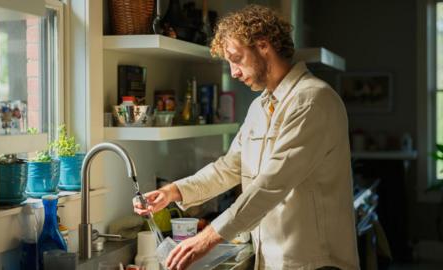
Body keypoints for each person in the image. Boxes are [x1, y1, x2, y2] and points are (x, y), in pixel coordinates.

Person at [134, 4, 359, 270]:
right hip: (274, 260)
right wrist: (174, 191)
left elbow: (271, 184)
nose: (234, 72)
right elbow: (228, 167)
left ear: (263, 45)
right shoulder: (260, 107)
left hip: (315, 263)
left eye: (237, 58)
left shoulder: (312, 100)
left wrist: (208, 237)